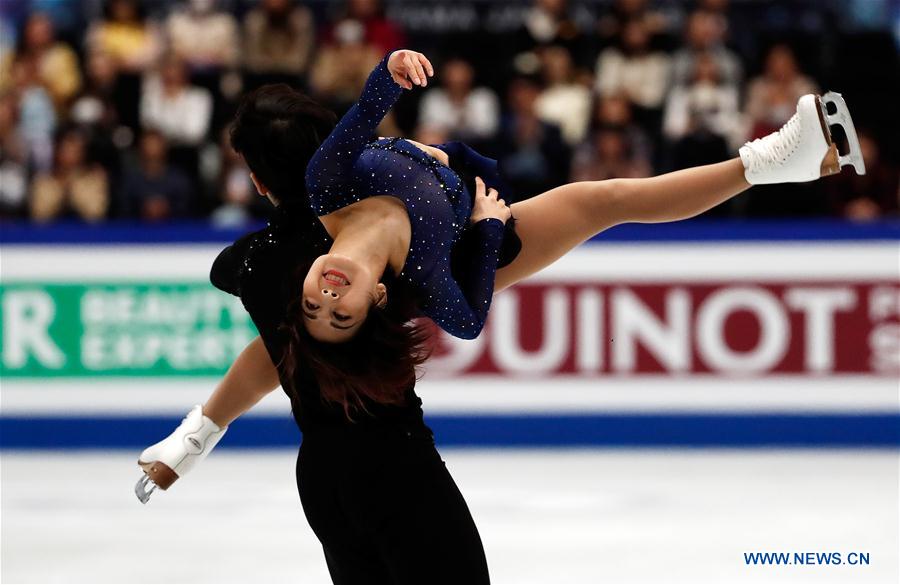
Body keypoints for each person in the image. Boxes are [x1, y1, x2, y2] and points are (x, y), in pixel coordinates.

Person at [138, 50, 863, 584]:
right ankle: (779, 164)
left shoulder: (301, 226)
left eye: (314, 300)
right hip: (413, 389)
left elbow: (276, 349)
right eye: (331, 307)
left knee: (601, 200)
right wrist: (481, 229)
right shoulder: (329, 259)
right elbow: (316, 341)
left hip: (341, 462)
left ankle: (786, 162)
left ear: (260, 180)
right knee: (601, 202)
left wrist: (196, 435)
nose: (324, 294)